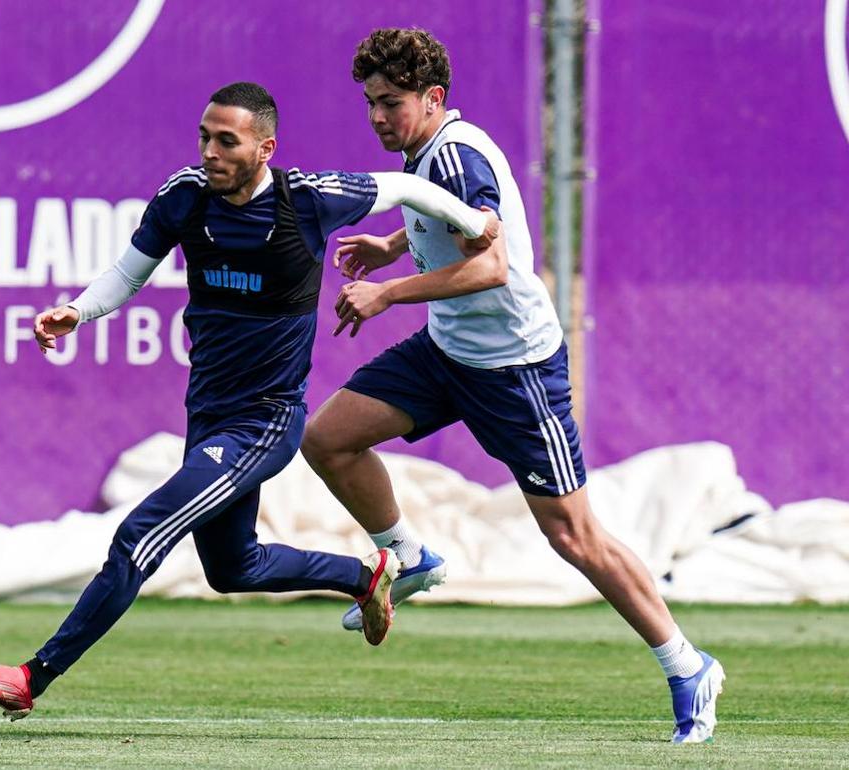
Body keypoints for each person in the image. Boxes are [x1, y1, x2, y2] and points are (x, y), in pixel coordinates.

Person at [0, 81, 502, 719]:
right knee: (233, 568)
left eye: (226, 140)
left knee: (139, 534)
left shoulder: (308, 201)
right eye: (203, 137)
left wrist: (475, 223)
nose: (209, 152)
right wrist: (77, 311)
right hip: (210, 415)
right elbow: (129, 273)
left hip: (265, 422)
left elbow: (407, 187)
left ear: (266, 147)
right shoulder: (185, 196)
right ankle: (364, 577)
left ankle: (31, 677)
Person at [299, 29, 724, 744]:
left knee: (574, 536)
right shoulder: (430, 151)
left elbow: (490, 267)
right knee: (330, 439)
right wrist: (392, 242)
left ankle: (686, 664)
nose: (377, 116)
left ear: (433, 99)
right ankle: (408, 556)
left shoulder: (457, 156)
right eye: (370, 102)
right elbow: (452, 220)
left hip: (514, 370)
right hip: (448, 352)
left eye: (391, 103)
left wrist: (389, 290)